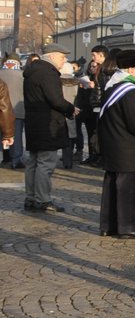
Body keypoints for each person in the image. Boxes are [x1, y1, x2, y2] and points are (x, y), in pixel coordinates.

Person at [96, 49, 135, 239]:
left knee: (112, 188)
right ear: (131, 70)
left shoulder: (112, 86)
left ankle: (109, 225)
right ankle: (127, 227)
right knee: (129, 190)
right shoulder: (130, 92)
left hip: (114, 146)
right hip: (129, 150)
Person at [22, 41, 75, 213]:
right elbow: (56, 100)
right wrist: (71, 108)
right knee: (45, 163)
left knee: (33, 162)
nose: (64, 61)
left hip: (34, 123)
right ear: (51, 56)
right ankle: (43, 199)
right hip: (48, 125)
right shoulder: (48, 73)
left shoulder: (32, 70)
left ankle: (31, 197)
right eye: (62, 57)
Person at [0, 55, 24, 169]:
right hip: (17, 109)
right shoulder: (22, 75)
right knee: (16, 135)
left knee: (2, 134)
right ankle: (16, 159)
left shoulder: (0, 73)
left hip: (1, 110)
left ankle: (5, 156)